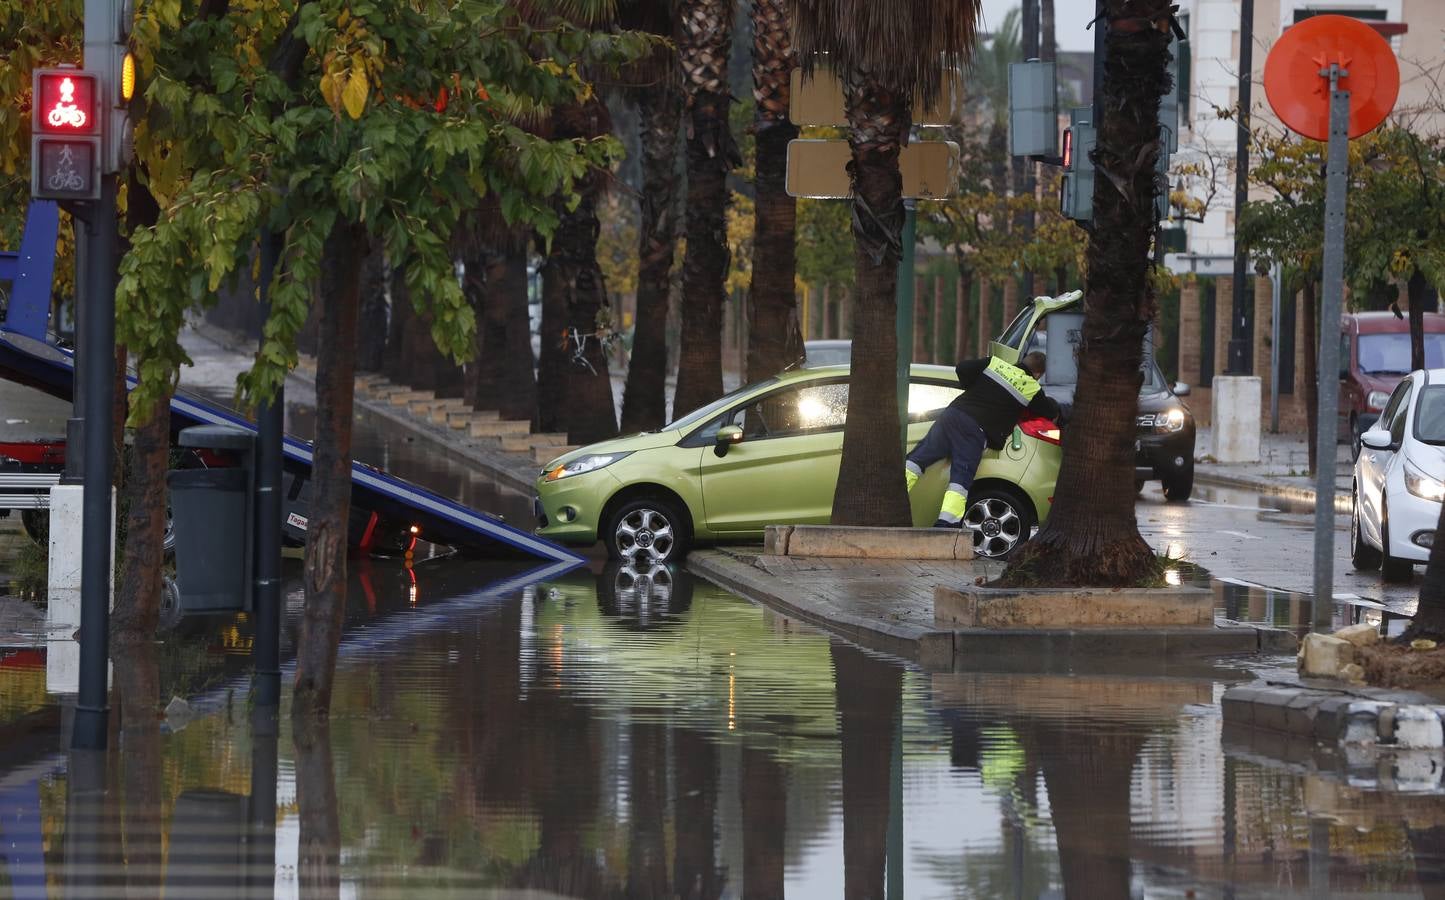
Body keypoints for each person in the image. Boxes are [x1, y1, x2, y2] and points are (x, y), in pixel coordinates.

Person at [905, 351, 1061, 528]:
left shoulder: (995, 364)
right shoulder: (1031, 386)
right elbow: (1049, 411)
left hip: (952, 415)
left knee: (916, 460)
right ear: (1038, 374)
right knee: (961, 478)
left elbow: (962, 368)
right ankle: (946, 523)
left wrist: (973, 385)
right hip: (974, 430)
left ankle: (893, 495)